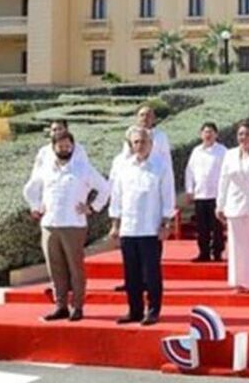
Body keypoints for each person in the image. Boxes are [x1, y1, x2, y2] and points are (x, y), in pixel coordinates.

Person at [23, 130, 109, 322]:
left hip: (74, 225)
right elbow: (29, 189)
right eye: (60, 146)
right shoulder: (46, 168)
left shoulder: (82, 168)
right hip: (50, 225)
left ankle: (77, 307)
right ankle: (60, 306)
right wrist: (36, 206)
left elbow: (104, 187)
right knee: (55, 268)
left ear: (73, 146)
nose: (64, 149)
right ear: (53, 147)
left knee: (75, 268)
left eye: (68, 146)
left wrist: (93, 207)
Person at [109, 126, 176, 325]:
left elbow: (168, 196)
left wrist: (166, 223)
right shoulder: (124, 167)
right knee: (131, 273)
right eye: (136, 142)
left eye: (143, 142)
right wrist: (115, 224)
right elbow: (117, 197)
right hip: (129, 228)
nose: (140, 146)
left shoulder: (161, 166)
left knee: (152, 273)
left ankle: (153, 310)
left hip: (150, 228)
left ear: (151, 144)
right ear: (130, 145)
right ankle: (134, 310)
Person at [216, 121, 249, 293]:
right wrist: (219, 205)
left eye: (247, 134)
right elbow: (224, 181)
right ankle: (238, 282)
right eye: (240, 134)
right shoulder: (229, 155)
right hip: (234, 205)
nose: (243, 138)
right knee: (236, 247)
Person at [185, 121, 228, 263]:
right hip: (200, 195)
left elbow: (227, 173)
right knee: (202, 227)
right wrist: (189, 190)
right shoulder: (196, 151)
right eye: (205, 132)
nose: (208, 135)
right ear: (201, 134)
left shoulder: (222, 151)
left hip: (216, 195)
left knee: (216, 227)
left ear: (216, 134)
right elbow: (189, 172)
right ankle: (203, 252)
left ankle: (217, 252)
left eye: (211, 132)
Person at [116, 105, 172, 177]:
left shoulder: (161, 136)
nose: (145, 118)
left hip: (154, 175)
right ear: (137, 118)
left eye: (148, 115)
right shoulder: (130, 133)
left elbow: (167, 159)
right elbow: (125, 156)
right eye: (142, 115)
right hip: (133, 173)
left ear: (154, 119)